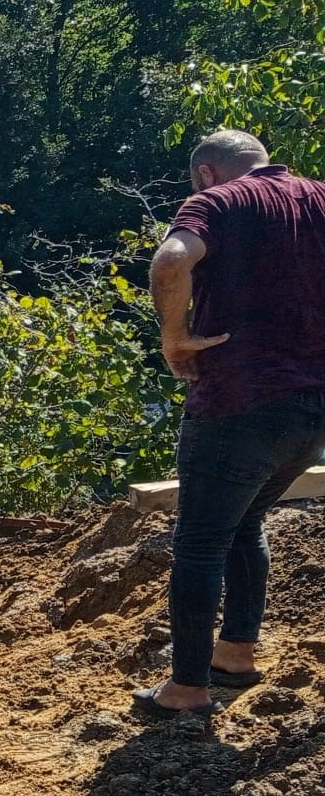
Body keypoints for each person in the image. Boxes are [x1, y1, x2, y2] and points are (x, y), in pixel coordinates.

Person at [135, 129, 325, 718]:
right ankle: (236, 653)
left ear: (207, 174)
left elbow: (170, 261)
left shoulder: (218, 201)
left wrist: (175, 338)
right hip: (314, 404)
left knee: (199, 540)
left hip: (238, 400)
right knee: (246, 522)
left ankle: (188, 688)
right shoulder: (319, 196)